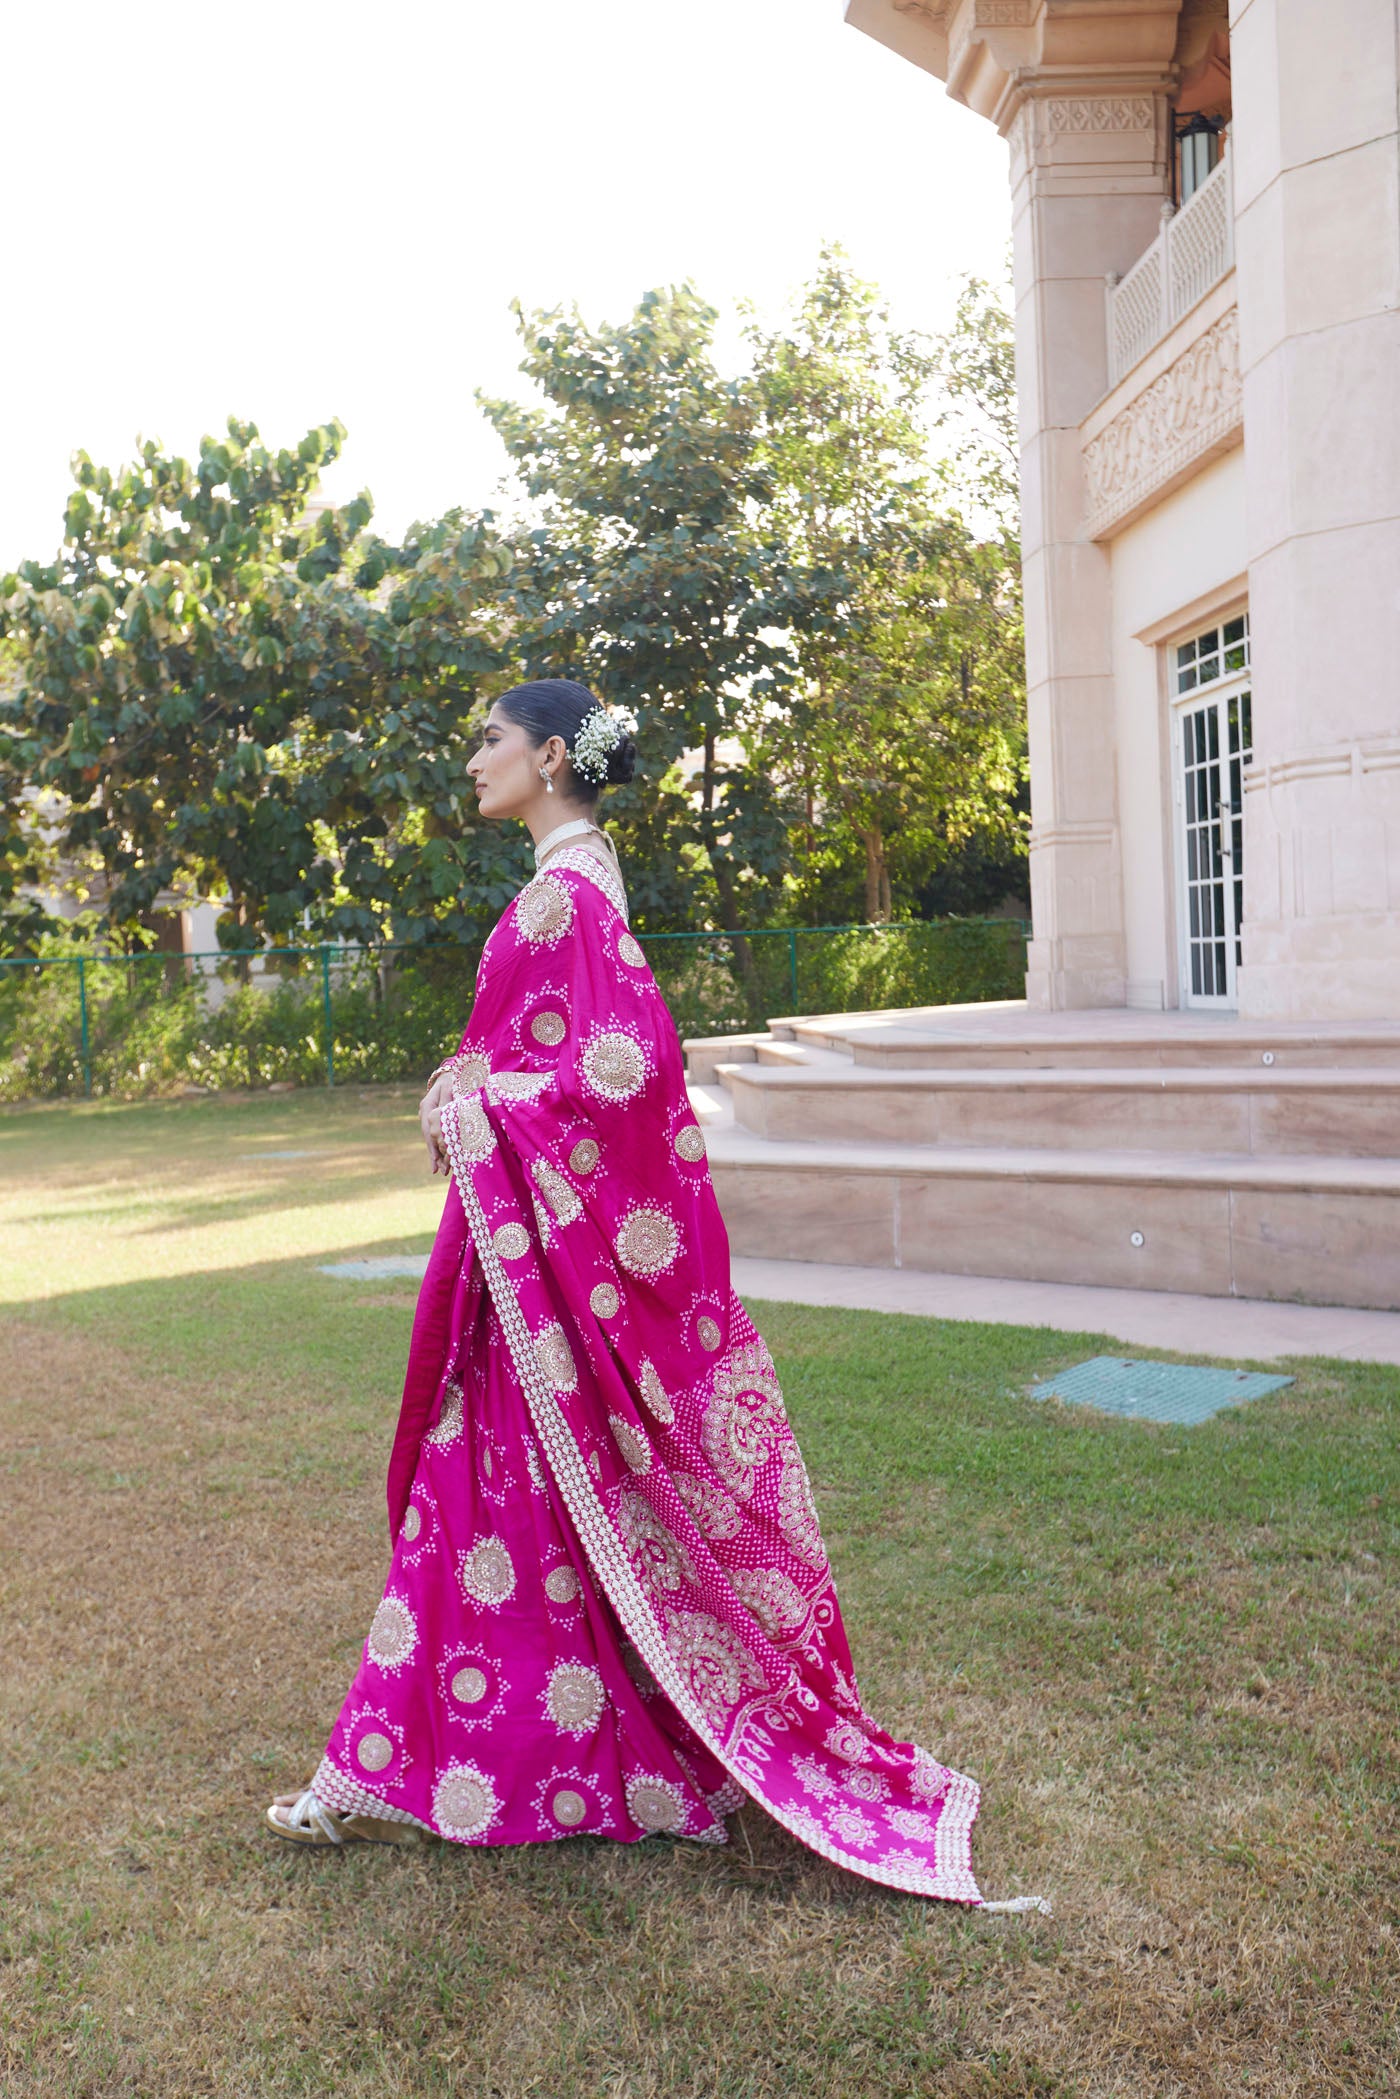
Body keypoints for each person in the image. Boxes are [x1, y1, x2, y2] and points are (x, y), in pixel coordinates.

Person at [265, 677, 985, 1905]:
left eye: (487, 739)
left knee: (479, 1505)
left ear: (549, 756)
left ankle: (402, 1764)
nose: (473, 761)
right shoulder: (572, 884)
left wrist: (474, 1100)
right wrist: (475, 1079)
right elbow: (552, 1050)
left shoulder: (567, 894)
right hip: (523, 1268)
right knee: (496, 1513)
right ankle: (451, 1756)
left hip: (541, 1276)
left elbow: (623, 1072)